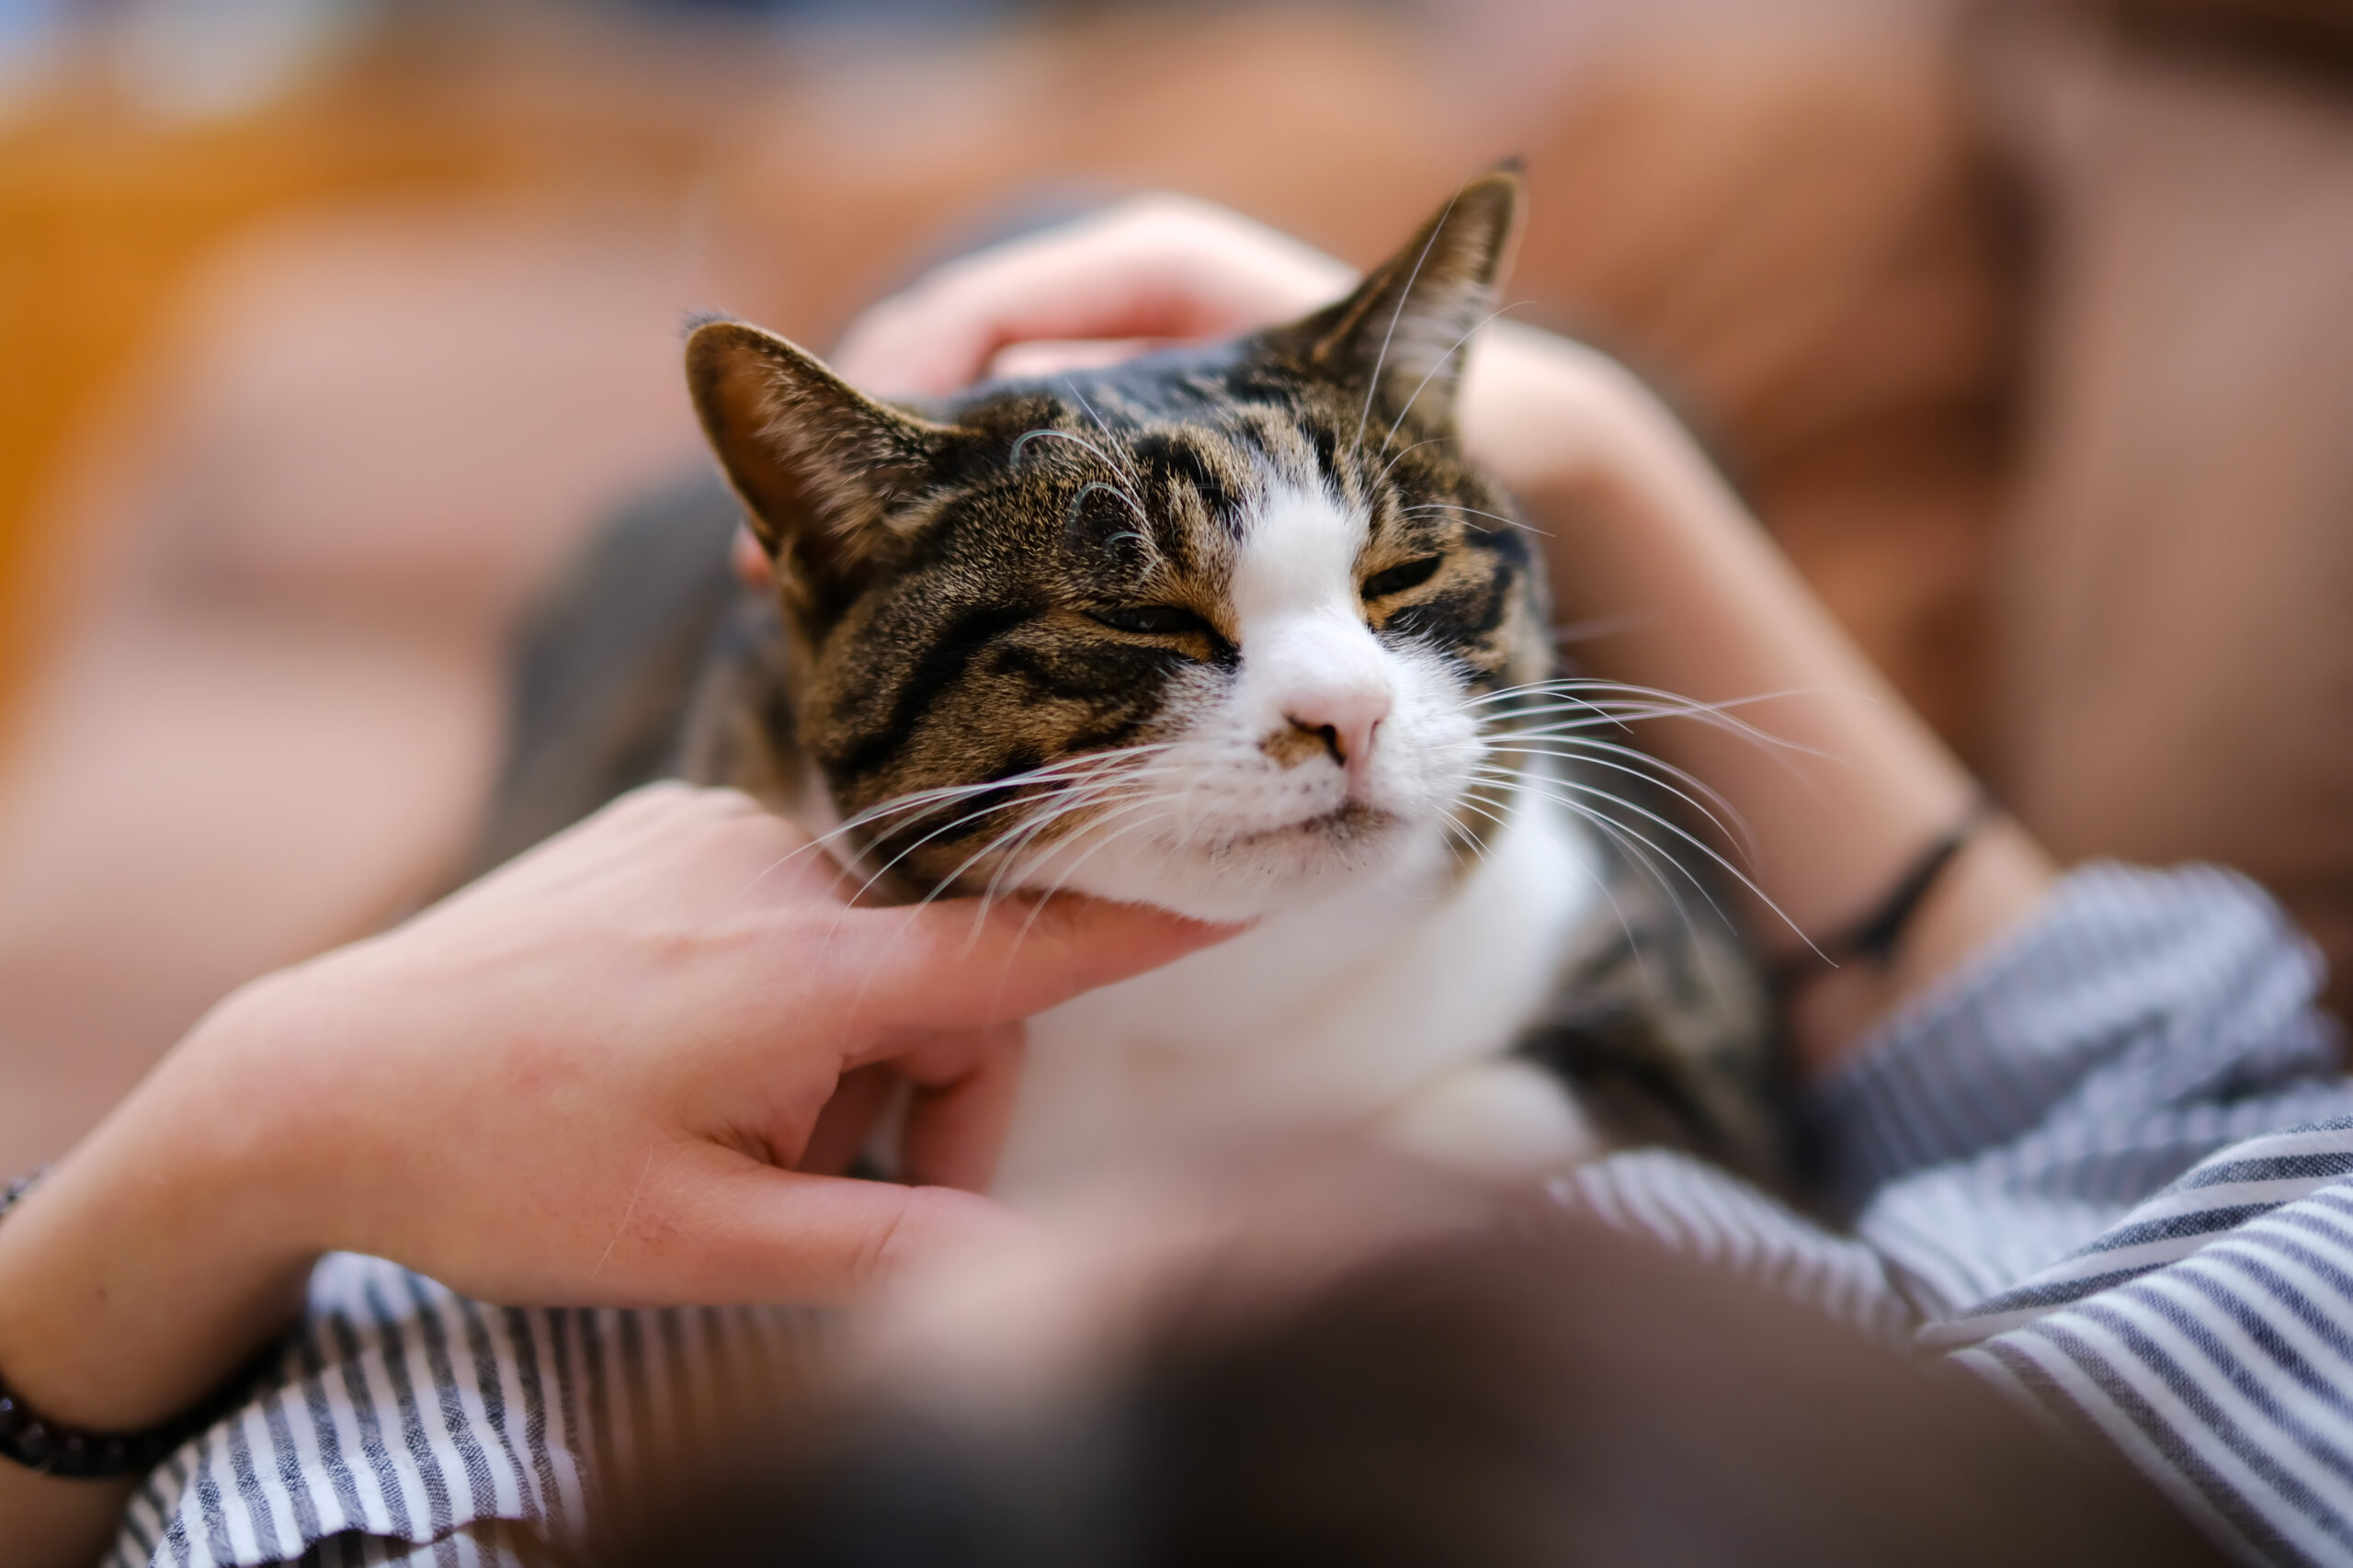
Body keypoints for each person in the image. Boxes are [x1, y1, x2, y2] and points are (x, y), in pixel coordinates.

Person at [1, 193, 2346, 1567]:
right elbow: (2206, 1110)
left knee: (641, 565)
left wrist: (237, 1128)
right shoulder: (1985, 1432)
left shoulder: (506, 1437)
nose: (1342, 708)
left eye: (1394, 595)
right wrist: (1602, 448)